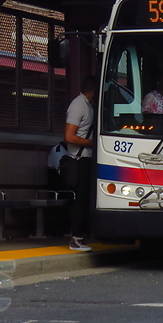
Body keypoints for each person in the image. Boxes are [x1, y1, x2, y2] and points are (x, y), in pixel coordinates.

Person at [63, 76, 97, 252]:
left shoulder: (88, 106)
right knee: (80, 200)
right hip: (79, 159)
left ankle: (82, 236)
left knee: (86, 199)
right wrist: (93, 143)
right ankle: (75, 239)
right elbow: (69, 137)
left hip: (87, 159)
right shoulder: (78, 105)